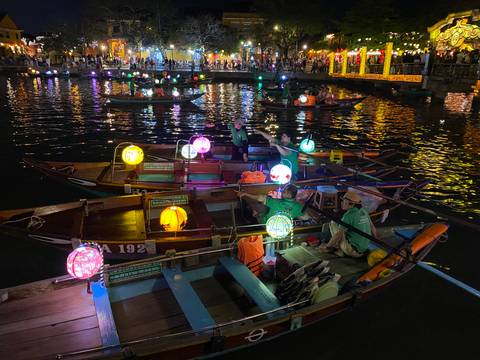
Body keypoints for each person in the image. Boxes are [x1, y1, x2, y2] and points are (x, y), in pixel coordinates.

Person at [319, 190, 375, 258]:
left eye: (344, 201)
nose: (342, 203)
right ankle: (339, 247)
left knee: (333, 223)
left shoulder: (348, 215)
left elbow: (338, 234)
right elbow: (372, 226)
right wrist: (377, 236)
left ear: (351, 204)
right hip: (363, 249)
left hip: (352, 251)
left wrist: (327, 246)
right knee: (342, 228)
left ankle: (338, 249)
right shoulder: (364, 210)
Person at [237, 184, 309, 223]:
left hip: (266, 226)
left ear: (289, 195)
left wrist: (245, 194)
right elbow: (306, 218)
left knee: (252, 206)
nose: (281, 192)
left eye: (283, 191)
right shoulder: (298, 207)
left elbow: (260, 198)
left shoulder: (274, 202)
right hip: (283, 230)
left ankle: (253, 218)